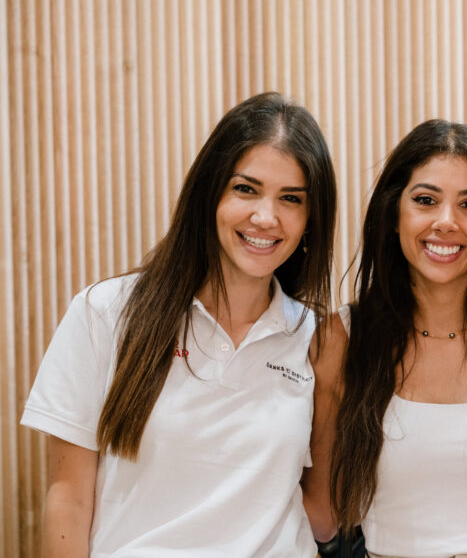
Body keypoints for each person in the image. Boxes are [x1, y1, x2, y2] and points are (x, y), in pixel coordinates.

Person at [20, 92, 337, 557]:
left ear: (310, 220)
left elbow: (323, 516)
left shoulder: (316, 338)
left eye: (291, 199)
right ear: (209, 194)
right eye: (245, 189)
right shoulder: (106, 312)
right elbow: (68, 499)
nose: (265, 217)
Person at [302, 119, 467, 558]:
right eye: (425, 200)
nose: (446, 222)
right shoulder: (342, 340)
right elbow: (323, 516)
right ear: (393, 214)